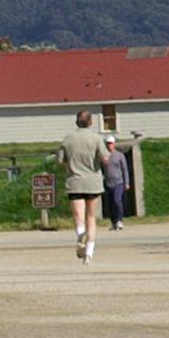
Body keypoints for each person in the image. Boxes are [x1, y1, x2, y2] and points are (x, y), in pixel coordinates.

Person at [59, 109, 112, 262]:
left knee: (78, 216)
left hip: (75, 181)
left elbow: (60, 160)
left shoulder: (68, 139)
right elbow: (105, 157)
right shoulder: (96, 138)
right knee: (91, 217)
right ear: (91, 122)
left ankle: (81, 234)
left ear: (77, 122)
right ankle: (89, 253)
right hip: (93, 182)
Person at [101, 126, 131, 230]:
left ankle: (120, 220)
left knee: (117, 200)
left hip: (119, 182)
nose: (109, 145)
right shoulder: (103, 155)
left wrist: (126, 183)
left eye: (110, 143)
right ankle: (113, 222)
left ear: (114, 144)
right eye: (107, 143)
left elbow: (125, 169)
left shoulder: (120, 155)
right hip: (108, 183)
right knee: (110, 204)